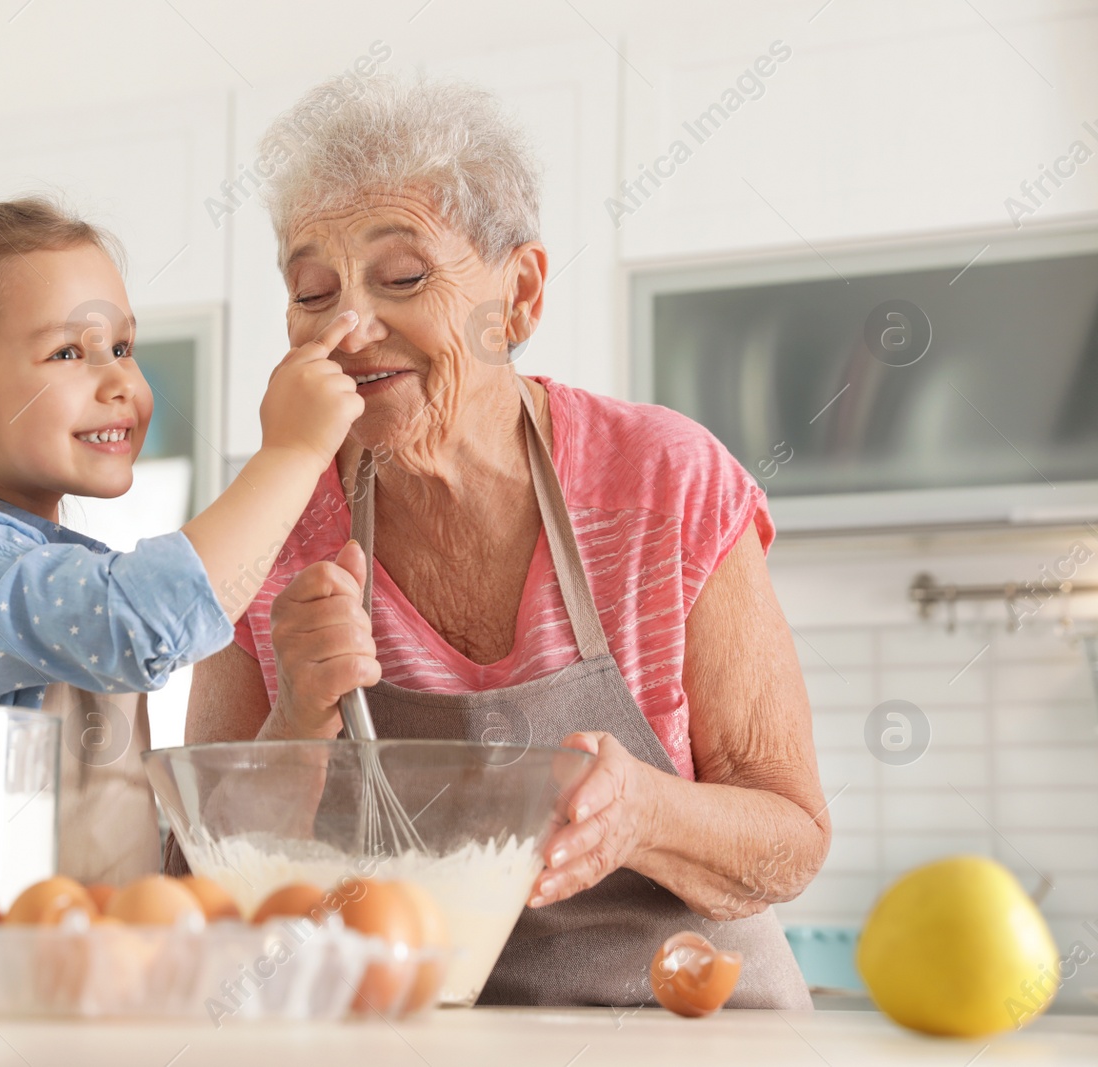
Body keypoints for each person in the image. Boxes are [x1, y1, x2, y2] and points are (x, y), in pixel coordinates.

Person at [184, 77, 829, 1009]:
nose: (346, 329)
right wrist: (297, 723)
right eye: (311, 290)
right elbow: (201, 881)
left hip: (691, 1029)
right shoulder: (271, 526)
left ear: (518, 296)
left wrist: (646, 813)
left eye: (403, 278)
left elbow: (792, 836)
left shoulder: (666, 482)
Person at [0, 197, 361, 880]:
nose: (120, 381)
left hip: (71, 967)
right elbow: (148, 620)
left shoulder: (57, 570)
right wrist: (290, 452)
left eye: (121, 347)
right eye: (67, 353)